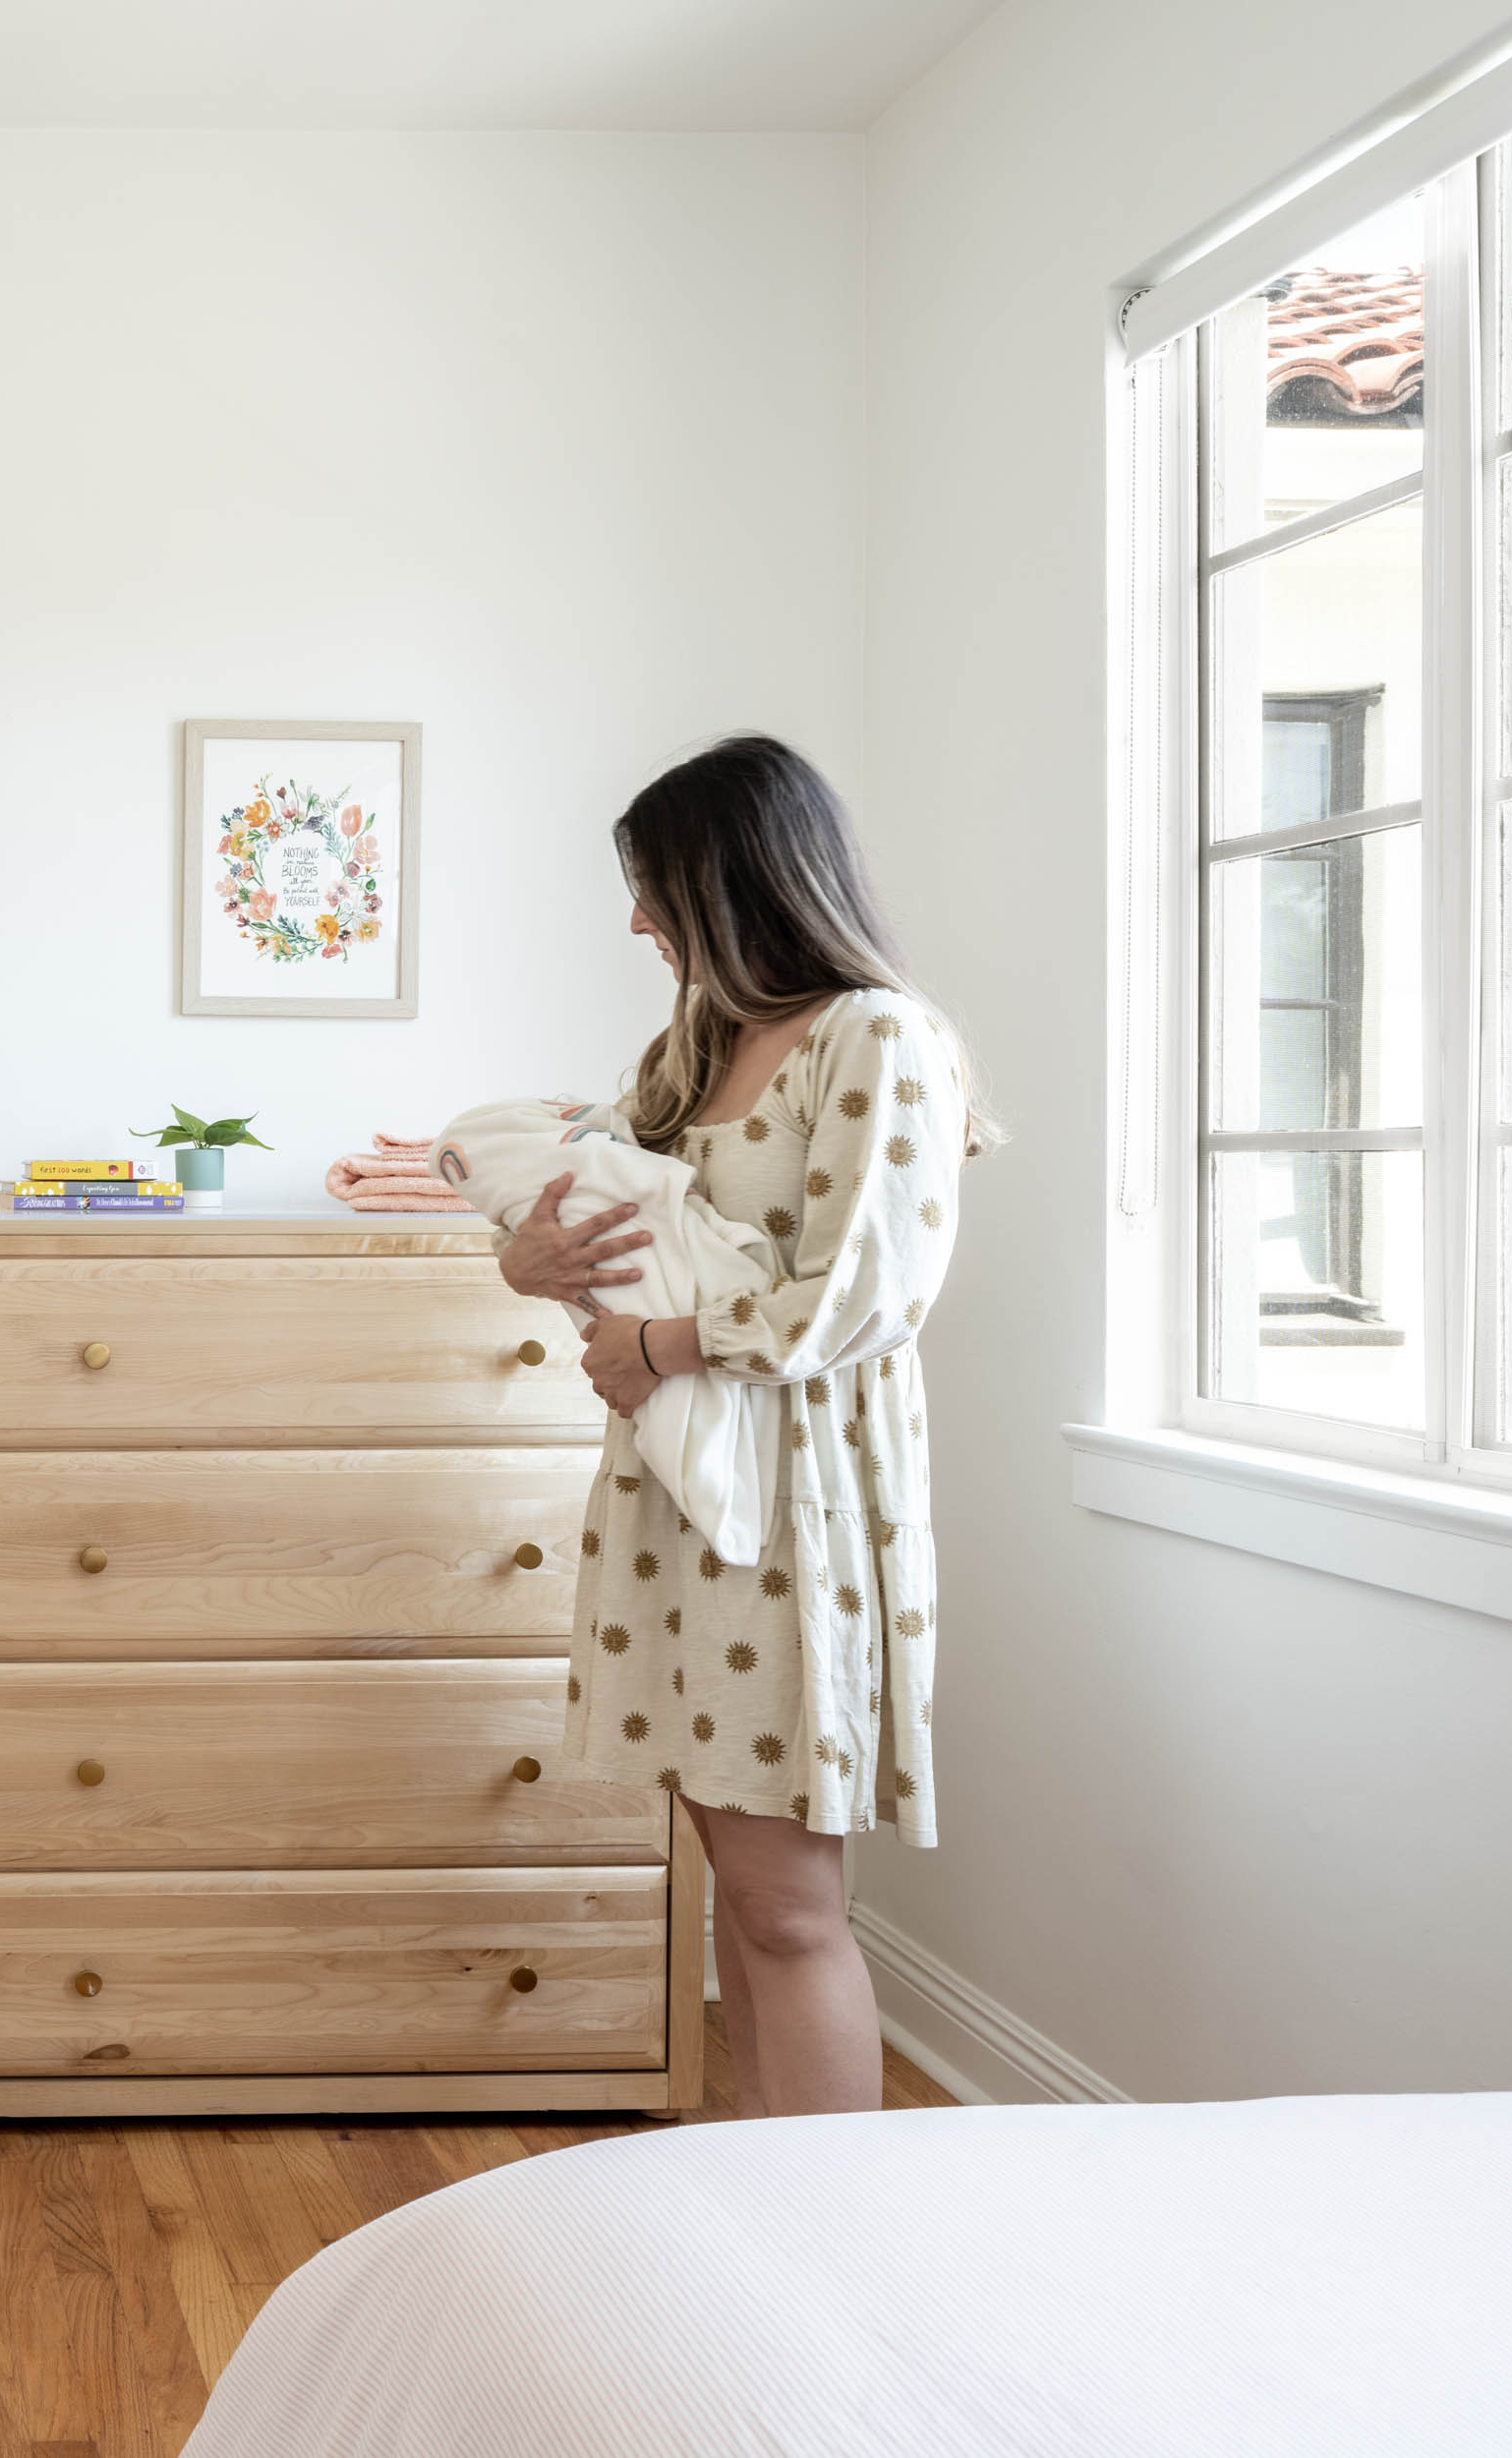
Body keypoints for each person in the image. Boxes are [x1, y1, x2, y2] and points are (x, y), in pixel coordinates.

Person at [495, 735, 991, 2119]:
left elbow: (864, 1293)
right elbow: (590, 1205)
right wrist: (526, 1265)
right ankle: (757, 2193)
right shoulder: (696, 1042)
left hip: (801, 1495)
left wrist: (660, 1342)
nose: (639, 923)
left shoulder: (875, 1038)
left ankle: (826, 2235)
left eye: (654, 889)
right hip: (685, 1492)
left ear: (735, 878)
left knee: (786, 1910)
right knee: (741, 1886)